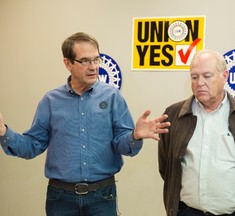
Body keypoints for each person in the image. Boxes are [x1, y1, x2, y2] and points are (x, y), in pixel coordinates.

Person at [0, 32, 170, 216]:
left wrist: (134, 136)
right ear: (68, 63)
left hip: (102, 197)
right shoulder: (50, 101)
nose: (94, 67)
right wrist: (3, 132)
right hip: (61, 199)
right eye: (85, 61)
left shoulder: (112, 97)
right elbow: (32, 146)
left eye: (97, 60)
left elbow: (123, 145)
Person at [158, 50, 235, 216]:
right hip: (186, 211)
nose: (200, 83)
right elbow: (166, 167)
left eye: (207, 76)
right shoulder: (173, 115)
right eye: (194, 77)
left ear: (225, 76)